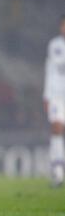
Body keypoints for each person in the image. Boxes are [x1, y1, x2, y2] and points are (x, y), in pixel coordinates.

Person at [43, 16, 65, 188]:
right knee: (57, 128)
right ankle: (57, 171)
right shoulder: (55, 45)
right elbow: (52, 71)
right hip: (58, 96)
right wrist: (47, 96)